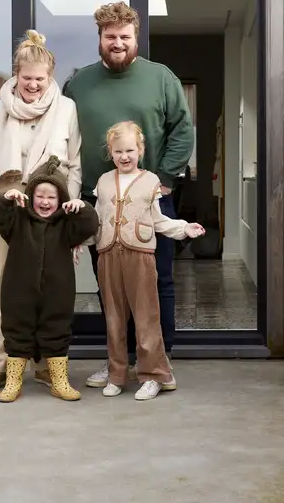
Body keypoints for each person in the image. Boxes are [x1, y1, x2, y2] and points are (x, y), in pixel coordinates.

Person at [62, 1, 194, 390]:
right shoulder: (78, 84)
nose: (117, 43)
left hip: (150, 198)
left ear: (136, 38)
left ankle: (157, 361)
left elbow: (182, 130)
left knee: (158, 282)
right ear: (99, 39)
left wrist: (166, 177)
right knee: (111, 285)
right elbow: (66, 138)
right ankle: (117, 362)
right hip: (97, 201)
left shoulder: (161, 78)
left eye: (124, 36)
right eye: (110, 37)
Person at [0, 30, 82, 394]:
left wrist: (71, 211)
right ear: (15, 75)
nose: (33, 85)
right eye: (27, 78)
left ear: (50, 77)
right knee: (6, 287)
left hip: (51, 208)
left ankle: (45, 366)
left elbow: (75, 165)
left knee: (48, 287)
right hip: (7, 209)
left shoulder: (66, 108)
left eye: (40, 79)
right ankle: (1, 365)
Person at [92, 122, 204, 400]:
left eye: (130, 150)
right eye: (118, 151)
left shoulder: (151, 181)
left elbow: (158, 220)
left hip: (140, 256)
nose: (124, 156)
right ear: (111, 152)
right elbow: (96, 220)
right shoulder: (104, 182)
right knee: (114, 318)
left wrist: (183, 228)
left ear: (140, 150)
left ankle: (153, 375)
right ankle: (117, 373)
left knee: (146, 317)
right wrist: (79, 243)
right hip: (108, 254)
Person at [0, 155, 99, 403]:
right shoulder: (17, 220)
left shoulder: (66, 225)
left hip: (57, 292)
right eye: (40, 196)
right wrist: (5, 198)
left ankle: (59, 380)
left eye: (51, 197)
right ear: (30, 197)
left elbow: (89, 225)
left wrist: (83, 208)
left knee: (57, 329)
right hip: (19, 292)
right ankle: (14, 380)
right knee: (16, 331)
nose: (45, 202)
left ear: (61, 200)